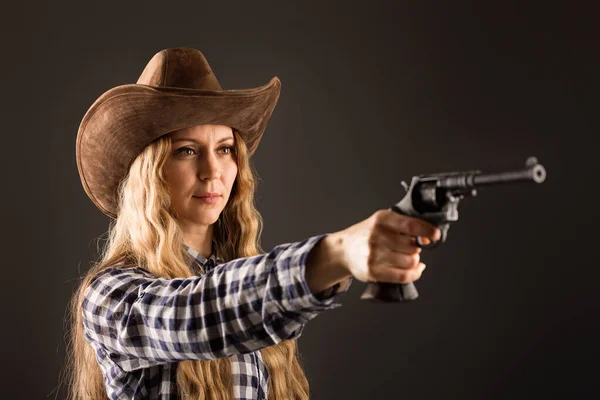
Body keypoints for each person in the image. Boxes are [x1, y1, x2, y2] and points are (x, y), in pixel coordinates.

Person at [66, 48, 441, 400]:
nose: (212, 171)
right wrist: (337, 253)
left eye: (225, 149)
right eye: (186, 151)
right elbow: (198, 315)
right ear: (150, 174)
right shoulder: (111, 295)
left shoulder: (248, 287)